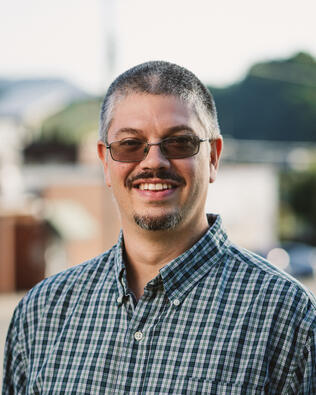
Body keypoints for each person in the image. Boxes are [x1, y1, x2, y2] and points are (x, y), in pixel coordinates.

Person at [3, 61, 316, 394]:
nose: (153, 161)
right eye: (129, 144)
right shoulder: (40, 313)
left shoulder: (288, 317)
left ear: (213, 157)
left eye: (179, 142)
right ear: (105, 162)